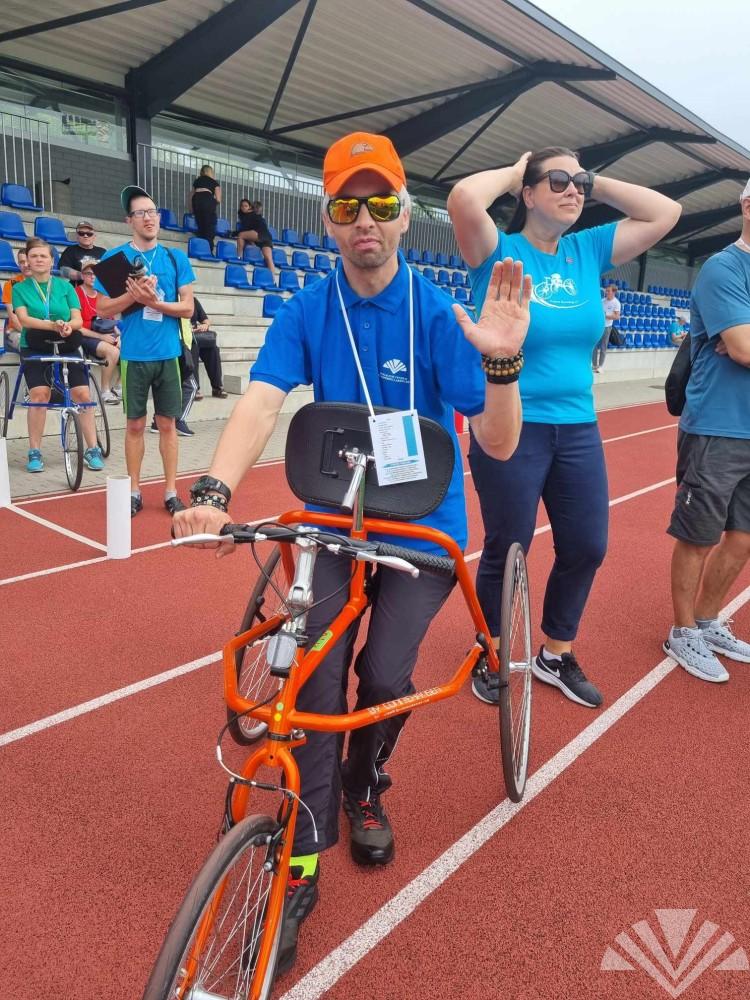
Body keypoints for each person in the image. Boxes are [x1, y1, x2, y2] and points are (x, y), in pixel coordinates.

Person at [174, 130, 532, 974]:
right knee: (314, 677)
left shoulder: (437, 313)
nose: (364, 218)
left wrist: (505, 364)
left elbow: (500, 445)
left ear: (404, 215)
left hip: (422, 523)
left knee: (383, 675)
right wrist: (214, 492)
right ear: (329, 222)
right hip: (334, 519)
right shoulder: (308, 308)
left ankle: (368, 783)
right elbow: (263, 401)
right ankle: (300, 861)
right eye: (346, 205)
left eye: (380, 202)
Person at [448, 146, 681, 708]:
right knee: (508, 546)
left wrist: (591, 180)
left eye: (579, 181)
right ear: (527, 194)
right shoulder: (498, 252)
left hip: (577, 425)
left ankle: (556, 651)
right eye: (558, 180)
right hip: (511, 422)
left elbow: (666, 212)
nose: (573, 189)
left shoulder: (587, 249)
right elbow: (463, 198)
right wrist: (513, 170)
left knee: (586, 545)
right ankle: (491, 651)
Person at [663, 180, 750, 683]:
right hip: (718, 425)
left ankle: (707, 621)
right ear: (746, 205)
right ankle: (681, 632)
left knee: (744, 537)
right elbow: (742, 347)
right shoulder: (724, 268)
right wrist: (740, 338)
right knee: (698, 535)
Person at [95, 185, 195, 517]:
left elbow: (188, 308)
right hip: (134, 356)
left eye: (152, 212)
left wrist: (155, 303)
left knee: (167, 424)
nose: (148, 218)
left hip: (168, 355)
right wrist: (133, 297)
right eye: (140, 213)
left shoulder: (175, 258)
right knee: (135, 425)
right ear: (129, 220)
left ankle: (170, 492)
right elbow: (103, 308)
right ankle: (134, 491)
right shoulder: (115, 259)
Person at [12, 238, 105, 474]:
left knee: (82, 394)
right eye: (34, 256)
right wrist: (53, 325)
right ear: (27, 261)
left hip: (65, 342)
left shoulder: (66, 288)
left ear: (52, 260)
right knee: (40, 395)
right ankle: (34, 451)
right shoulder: (19, 289)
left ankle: (92, 448)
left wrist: (67, 327)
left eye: (43, 256)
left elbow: (77, 319)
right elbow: (24, 319)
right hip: (34, 344)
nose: (39, 260)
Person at [76, 258, 121, 402]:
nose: (93, 276)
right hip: (84, 335)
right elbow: (78, 327)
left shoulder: (103, 294)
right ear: (82, 275)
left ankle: (119, 386)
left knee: (131, 344)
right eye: (88, 273)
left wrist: (118, 334)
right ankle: (105, 390)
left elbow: (110, 320)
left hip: (105, 333)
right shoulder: (76, 293)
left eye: (96, 273)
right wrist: (102, 337)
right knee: (113, 351)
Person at [190, 297, 227, 399]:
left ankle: (217, 387)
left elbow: (205, 320)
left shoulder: (193, 300)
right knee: (193, 347)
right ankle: (194, 388)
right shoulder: (174, 299)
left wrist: (204, 325)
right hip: (182, 337)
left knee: (213, 348)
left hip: (196, 335)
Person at [235, 198, 275, 274]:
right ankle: (273, 279)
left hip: (260, 234)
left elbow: (244, 230)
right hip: (267, 237)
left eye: (246, 206)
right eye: (242, 206)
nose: (243, 207)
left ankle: (239, 257)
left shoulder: (249, 215)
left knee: (241, 235)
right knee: (269, 259)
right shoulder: (258, 216)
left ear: (250, 207)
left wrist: (233, 233)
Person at [2, 248, 30, 351]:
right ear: (18, 265)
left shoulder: (43, 283)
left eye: (28, 261)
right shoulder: (11, 284)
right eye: (22, 262)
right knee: (29, 345)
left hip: (39, 330)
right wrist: (34, 336)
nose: (25, 265)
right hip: (17, 331)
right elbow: (14, 320)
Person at [191, 165, 221, 250]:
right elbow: (218, 199)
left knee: (201, 227)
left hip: (196, 201)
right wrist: (213, 203)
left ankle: (200, 249)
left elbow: (191, 196)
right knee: (210, 228)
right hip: (208, 201)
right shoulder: (214, 182)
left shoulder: (197, 181)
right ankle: (208, 250)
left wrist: (192, 209)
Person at [594, 283, 621, 371]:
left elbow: (617, 316)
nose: (606, 292)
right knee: (594, 345)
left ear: (613, 292)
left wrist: (606, 316)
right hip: (598, 326)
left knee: (603, 347)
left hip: (607, 327)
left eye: (608, 291)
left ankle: (600, 366)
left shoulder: (616, 303)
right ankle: (594, 365)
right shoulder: (602, 301)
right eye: (606, 290)